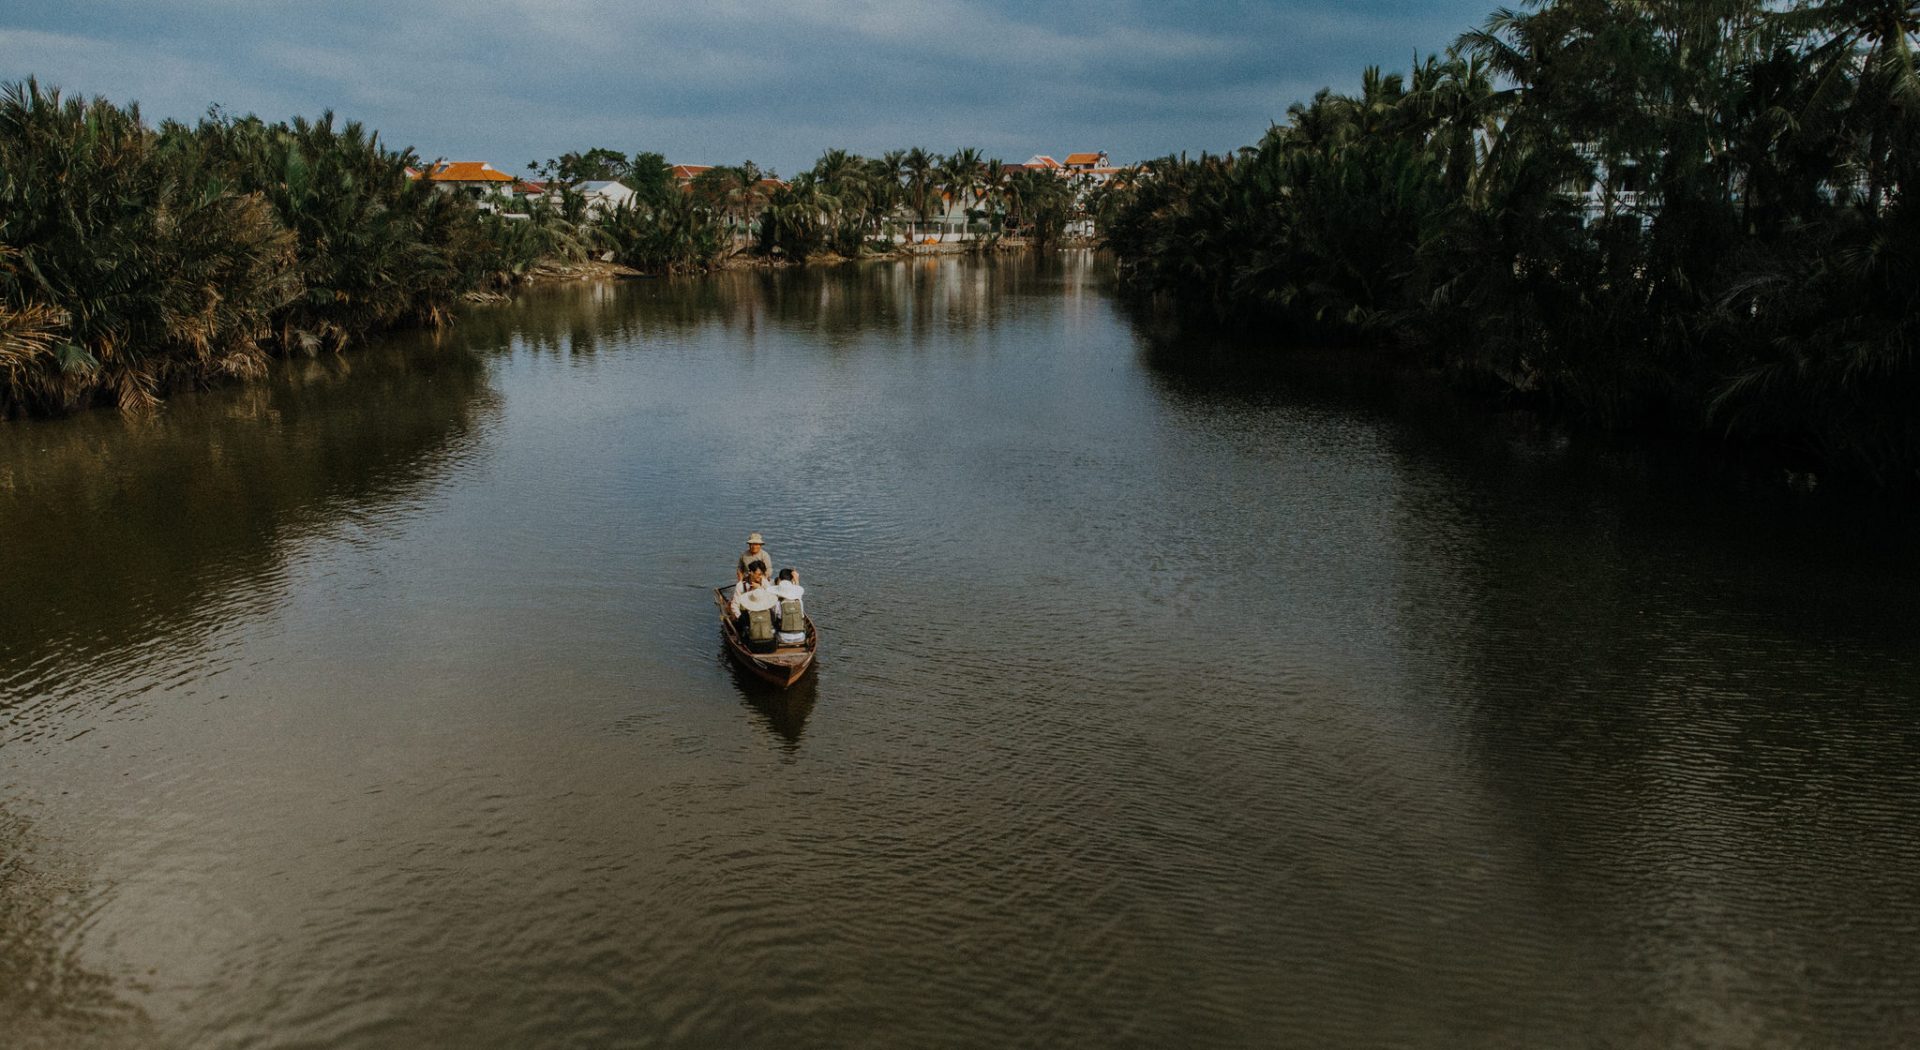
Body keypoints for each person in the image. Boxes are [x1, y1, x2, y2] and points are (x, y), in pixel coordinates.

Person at [772, 568, 806, 646]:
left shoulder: (778, 603)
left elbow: (774, 619)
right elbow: (802, 616)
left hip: (783, 638)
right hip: (801, 637)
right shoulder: (799, 601)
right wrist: (797, 580)